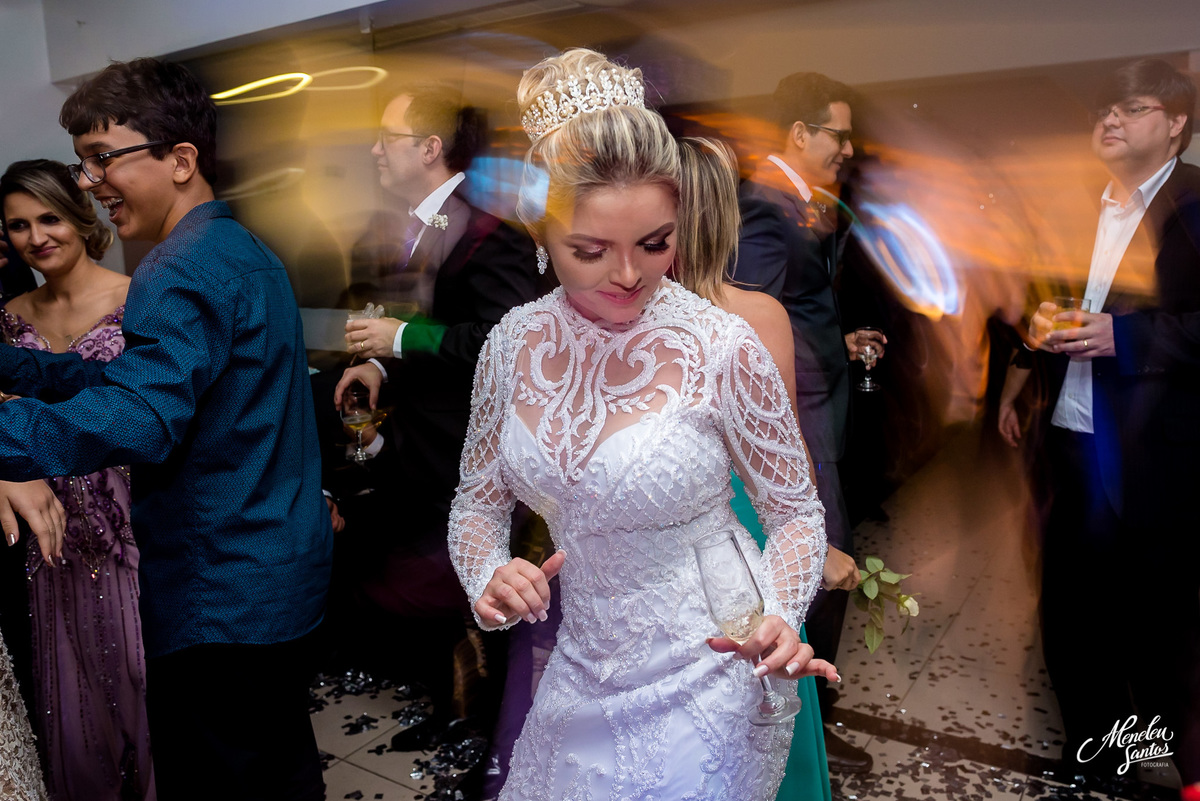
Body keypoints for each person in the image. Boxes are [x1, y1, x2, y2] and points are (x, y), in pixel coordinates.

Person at [448, 48, 835, 800]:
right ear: (541, 234)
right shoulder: (510, 346)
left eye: (654, 243)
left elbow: (794, 512)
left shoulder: (721, 346)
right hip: (581, 660)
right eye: (589, 250)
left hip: (716, 655)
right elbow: (476, 502)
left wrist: (783, 613)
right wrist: (488, 573)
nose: (627, 275)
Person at [0, 58, 331, 801]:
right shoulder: (238, 249)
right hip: (274, 572)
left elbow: (144, 416)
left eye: (101, 158)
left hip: (220, 589)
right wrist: (24, 371)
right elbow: (153, 382)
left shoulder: (178, 267)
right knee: (276, 765)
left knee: (225, 777)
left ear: (180, 160)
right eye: (83, 163)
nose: (89, 182)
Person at [329, 83, 540, 753]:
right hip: (418, 453)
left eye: (385, 138)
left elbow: (503, 344)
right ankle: (453, 707)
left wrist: (398, 342)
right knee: (435, 598)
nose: (373, 149)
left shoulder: (490, 236)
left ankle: (499, 732)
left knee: (488, 596)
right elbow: (425, 330)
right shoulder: (411, 229)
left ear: (428, 148)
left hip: (467, 459)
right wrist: (382, 367)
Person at [1024, 58, 1199, 790]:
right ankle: (1092, 756)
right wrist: (1038, 326)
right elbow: (1057, 297)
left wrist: (1122, 339)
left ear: (1177, 124)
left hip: (1156, 461)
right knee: (1068, 621)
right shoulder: (1080, 204)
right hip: (1071, 446)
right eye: (1102, 110)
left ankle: (1169, 766)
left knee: (1156, 633)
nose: (1110, 121)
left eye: (1131, 107)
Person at [733, 70, 880, 774]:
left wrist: (837, 345)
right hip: (796, 431)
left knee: (824, 568)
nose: (849, 147)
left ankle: (808, 723)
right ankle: (796, 728)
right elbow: (754, 334)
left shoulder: (802, 203)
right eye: (839, 133)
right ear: (799, 133)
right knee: (817, 567)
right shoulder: (765, 206)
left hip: (818, 413)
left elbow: (791, 315)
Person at [0, 158, 152, 800]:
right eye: (17, 226)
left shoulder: (139, 297)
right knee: (69, 684)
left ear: (81, 216)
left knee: (143, 675)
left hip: (133, 513)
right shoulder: (7, 316)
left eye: (50, 217)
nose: (36, 237)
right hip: (45, 529)